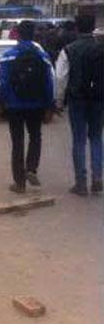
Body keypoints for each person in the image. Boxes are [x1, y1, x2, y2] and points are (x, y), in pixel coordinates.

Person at [0, 20, 55, 194]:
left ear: (17, 34)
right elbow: (48, 82)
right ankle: (31, 168)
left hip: (15, 104)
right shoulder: (43, 56)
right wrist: (48, 105)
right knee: (35, 136)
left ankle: (19, 183)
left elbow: (4, 82)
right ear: (34, 34)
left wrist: (2, 103)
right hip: (36, 104)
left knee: (17, 142)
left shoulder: (9, 55)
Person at [55, 14, 104, 196]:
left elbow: (60, 78)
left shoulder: (68, 50)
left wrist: (59, 101)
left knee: (79, 140)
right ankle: (98, 177)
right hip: (99, 99)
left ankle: (81, 182)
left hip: (77, 100)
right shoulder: (101, 48)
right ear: (93, 27)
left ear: (76, 28)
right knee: (97, 138)